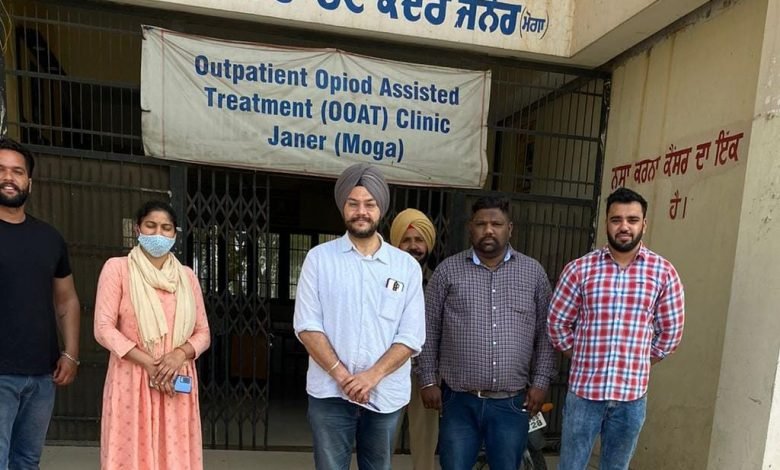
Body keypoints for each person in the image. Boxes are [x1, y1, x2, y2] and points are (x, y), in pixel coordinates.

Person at [294, 163, 425, 470]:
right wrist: (343, 377)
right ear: (343, 207)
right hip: (329, 393)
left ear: (381, 209)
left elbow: (411, 336)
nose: (361, 212)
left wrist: (371, 377)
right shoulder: (319, 259)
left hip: (385, 394)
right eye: (353, 204)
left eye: (370, 204)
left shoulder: (405, 267)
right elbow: (307, 326)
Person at [548, 187, 685, 470]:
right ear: (606, 223)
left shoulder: (663, 273)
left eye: (632, 220)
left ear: (644, 224)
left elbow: (670, 332)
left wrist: (639, 360)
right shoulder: (580, 270)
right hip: (584, 394)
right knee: (571, 466)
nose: (624, 226)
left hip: (631, 398)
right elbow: (557, 324)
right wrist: (584, 355)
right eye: (616, 219)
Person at [417, 195, 555, 470]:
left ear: (509, 228)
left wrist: (541, 382)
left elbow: (546, 332)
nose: (489, 230)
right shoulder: (447, 272)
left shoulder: (533, 273)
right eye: (481, 224)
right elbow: (428, 328)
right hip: (458, 402)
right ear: (470, 227)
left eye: (497, 224)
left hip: (511, 403)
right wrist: (427, 380)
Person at [94, 200, 211, 470]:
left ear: (174, 234)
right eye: (151, 225)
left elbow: (203, 332)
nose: (158, 233)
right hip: (132, 378)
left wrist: (179, 355)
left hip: (176, 380)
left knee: (175, 455)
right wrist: (149, 363)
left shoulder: (187, 277)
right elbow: (103, 327)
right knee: (130, 455)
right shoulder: (118, 269)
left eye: (166, 228)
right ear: (138, 229)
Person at [0, 137, 81, 469]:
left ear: (29, 182)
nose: (9, 177)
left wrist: (71, 353)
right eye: (1, 170)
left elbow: (67, 299)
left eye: (17, 171)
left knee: (27, 461)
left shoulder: (49, 238)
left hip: (41, 376)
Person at [389, 208, 439, 470]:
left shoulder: (439, 281)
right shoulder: (383, 276)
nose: (413, 246)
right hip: (387, 371)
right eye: (406, 240)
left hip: (426, 374)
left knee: (425, 442)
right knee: (382, 439)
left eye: (419, 240)